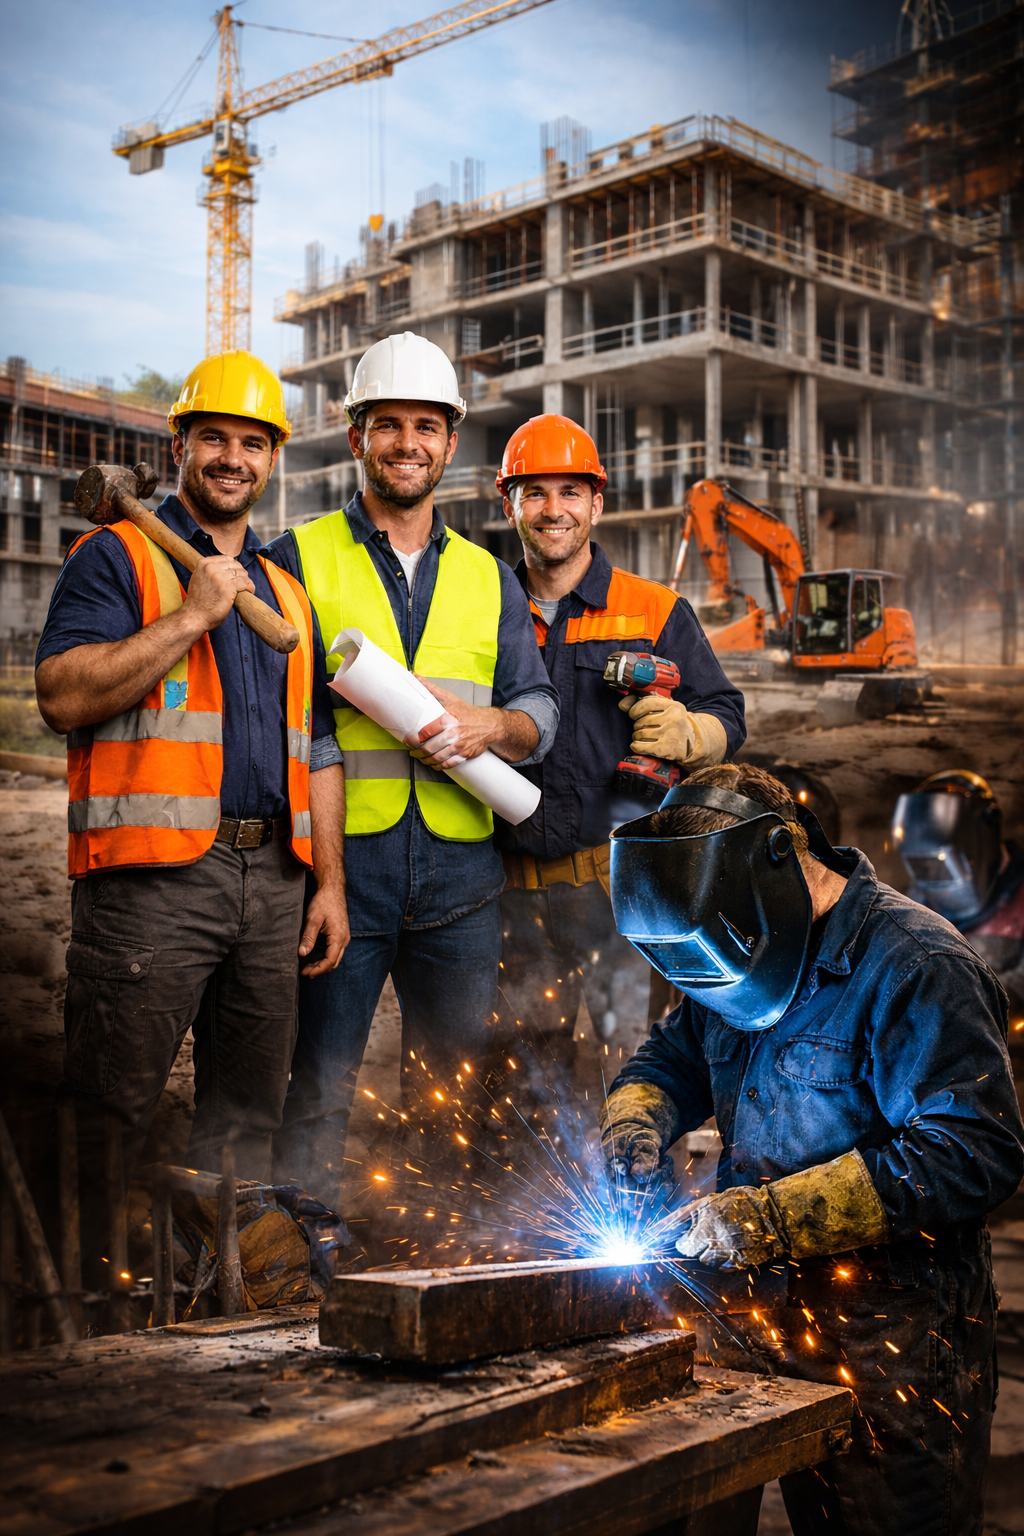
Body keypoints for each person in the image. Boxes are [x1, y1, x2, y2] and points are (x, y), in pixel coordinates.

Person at [599, 762, 1023, 1536]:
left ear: (781, 863)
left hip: (889, 1337)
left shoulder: (918, 965)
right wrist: (635, 1129)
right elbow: (668, 1063)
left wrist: (767, 1219)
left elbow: (973, 1153)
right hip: (752, 1312)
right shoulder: (730, 945)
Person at [34, 350, 348, 1279]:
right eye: (215, 437)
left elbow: (317, 747)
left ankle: (213, 1304)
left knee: (248, 1118)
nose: (233, 458)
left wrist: (328, 881)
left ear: (273, 459)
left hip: (274, 886)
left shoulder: (283, 593)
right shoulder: (118, 556)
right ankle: (78, 1308)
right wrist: (189, 616)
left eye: (253, 443)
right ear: (180, 444)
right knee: (111, 1110)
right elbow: (60, 695)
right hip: (150, 884)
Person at [266, 333, 559, 1210]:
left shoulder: (491, 578)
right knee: (318, 1086)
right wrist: (326, 879)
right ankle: (294, 1260)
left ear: (449, 442)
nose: (407, 443)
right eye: (386, 424)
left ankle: (429, 1253)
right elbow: (288, 723)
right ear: (356, 437)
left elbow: (539, 714)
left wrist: (492, 723)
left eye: (425, 426)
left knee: (449, 1093)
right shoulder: (298, 558)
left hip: (462, 881)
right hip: (341, 874)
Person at [493, 413, 745, 1094]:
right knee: (524, 1084)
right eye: (534, 492)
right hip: (512, 900)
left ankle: (634, 1186)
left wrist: (691, 733)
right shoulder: (484, 605)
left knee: (630, 1073)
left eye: (570, 492)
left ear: (597, 503)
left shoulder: (653, 609)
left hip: (618, 897)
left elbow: (728, 713)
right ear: (507, 500)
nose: (553, 510)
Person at [893, 769, 1024, 1019]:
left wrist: (958, 999)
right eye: (927, 865)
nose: (937, 875)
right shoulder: (918, 896)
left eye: (946, 861)